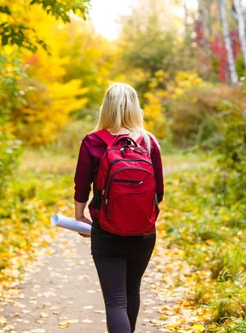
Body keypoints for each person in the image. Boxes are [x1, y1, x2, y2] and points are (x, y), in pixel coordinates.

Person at [73, 82, 164, 333]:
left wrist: (80, 215)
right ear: (136, 107)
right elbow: (159, 192)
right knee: (132, 290)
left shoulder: (92, 141)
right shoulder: (148, 142)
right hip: (144, 233)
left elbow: (82, 186)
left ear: (106, 107)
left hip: (106, 231)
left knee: (115, 300)